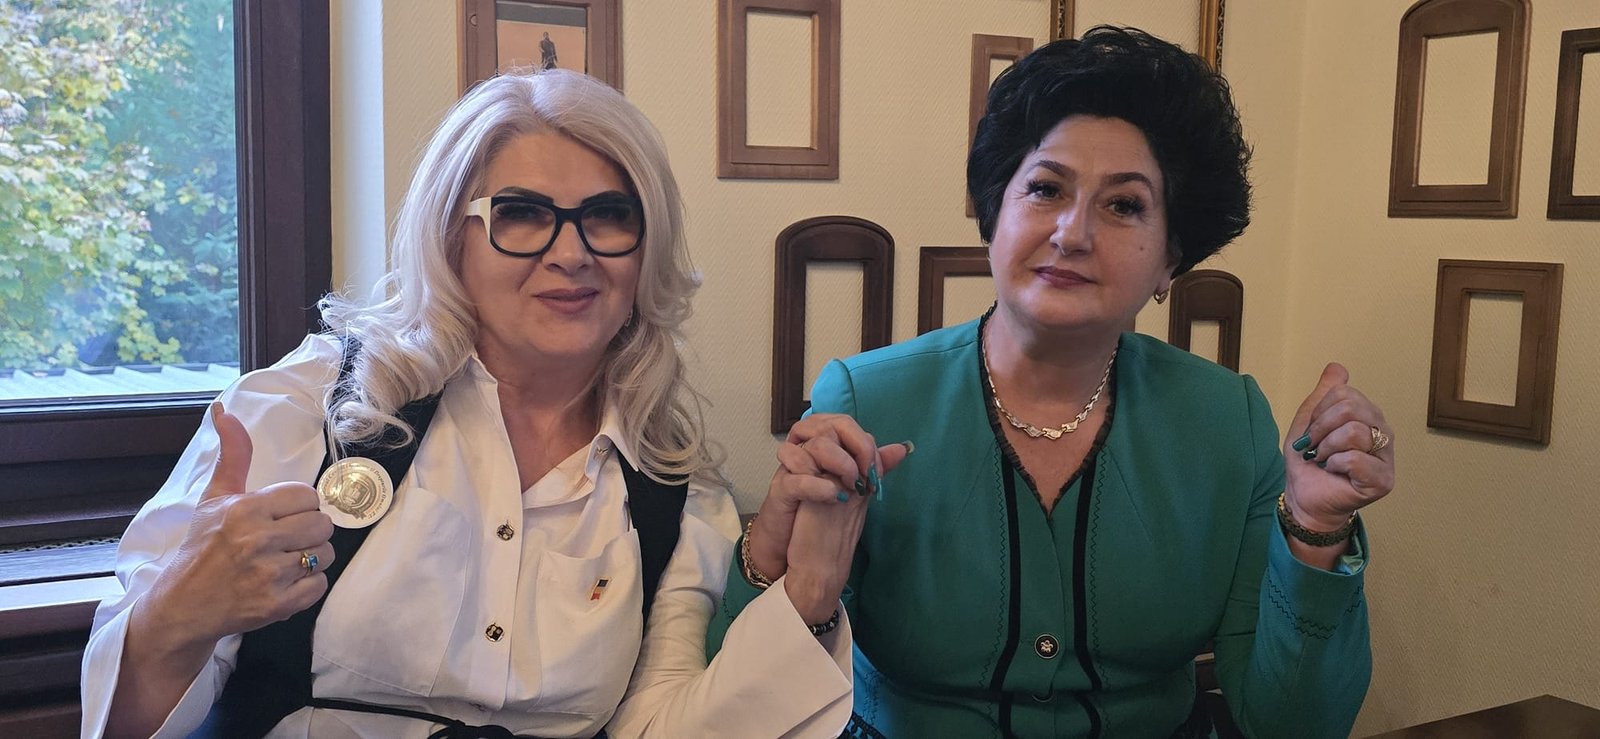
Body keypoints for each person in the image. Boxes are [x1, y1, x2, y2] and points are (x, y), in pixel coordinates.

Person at [81, 69, 862, 738]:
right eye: (521, 213)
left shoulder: (673, 496)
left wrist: (807, 591)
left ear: (644, 249)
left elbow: (660, 726)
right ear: (451, 237)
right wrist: (178, 615)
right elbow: (121, 725)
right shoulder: (304, 410)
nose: (572, 253)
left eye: (608, 216)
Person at [711, 27, 1394, 738]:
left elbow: (1292, 725)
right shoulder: (865, 401)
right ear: (994, 215)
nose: (1072, 232)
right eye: (1044, 189)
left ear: (1170, 260)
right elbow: (741, 706)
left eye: (1124, 205)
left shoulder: (1229, 421)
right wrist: (775, 554)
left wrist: (1316, 529)